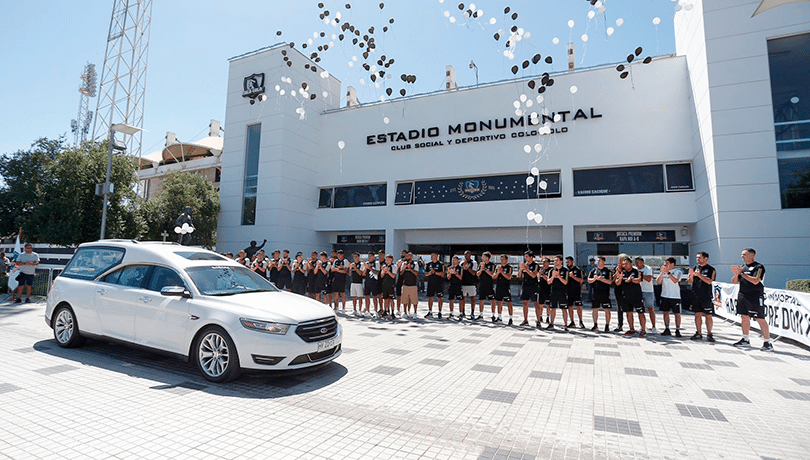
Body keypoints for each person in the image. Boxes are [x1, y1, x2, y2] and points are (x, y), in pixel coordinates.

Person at [731, 248, 772, 351]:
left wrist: (742, 274)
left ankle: (767, 343)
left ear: (752, 255)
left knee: (760, 319)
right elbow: (734, 281)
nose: (742, 256)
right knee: (744, 317)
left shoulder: (759, 267)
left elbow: (756, 281)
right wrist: (737, 274)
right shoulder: (743, 267)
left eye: (744, 254)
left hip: (755, 296)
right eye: (741, 254)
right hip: (743, 295)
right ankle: (745, 340)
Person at [688, 251, 717, 341]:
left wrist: (699, 275)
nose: (697, 259)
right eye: (697, 258)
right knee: (697, 315)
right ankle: (698, 333)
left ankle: (709, 333)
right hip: (696, 295)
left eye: (699, 258)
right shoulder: (695, 268)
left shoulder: (711, 269)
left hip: (706, 296)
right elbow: (690, 281)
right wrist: (692, 276)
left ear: (706, 258)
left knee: (708, 315)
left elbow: (709, 281)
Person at [616, 256, 647, 337]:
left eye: (626, 264)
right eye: (623, 264)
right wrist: (620, 278)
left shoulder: (637, 271)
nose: (625, 266)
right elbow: (617, 283)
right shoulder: (622, 272)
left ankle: (643, 330)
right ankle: (631, 328)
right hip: (626, 296)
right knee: (629, 313)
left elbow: (639, 280)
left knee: (640, 313)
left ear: (631, 264)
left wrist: (631, 280)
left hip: (636, 296)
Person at [656, 257, 684, 337]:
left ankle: (677, 329)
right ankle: (667, 328)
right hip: (665, 295)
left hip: (675, 296)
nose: (665, 265)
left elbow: (675, 280)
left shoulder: (678, 272)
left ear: (672, 264)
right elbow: (658, 281)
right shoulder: (663, 272)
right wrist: (662, 273)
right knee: (665, 312)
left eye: (667, 263)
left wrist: (668, 273)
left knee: (677, 314)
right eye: (665, 264)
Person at [588, 256, 613, 332]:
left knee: (607, 310)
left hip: (605, 293)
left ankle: (607, 325)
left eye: (599, 261)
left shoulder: (608, 271)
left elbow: (610, 282)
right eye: (597, 261)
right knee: (595, 309)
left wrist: (602, 279)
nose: (598, 262)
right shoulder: (593, 270)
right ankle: (595, 325)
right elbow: (589, 280)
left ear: (604, 262)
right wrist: (594, 279)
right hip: (595, 293)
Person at [635, 257, 659, 334]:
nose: (637, 264)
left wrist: (641, 275)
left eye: (638, 262)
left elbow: (649, 279)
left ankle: (654, 326)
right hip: (638, 291)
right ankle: (642, 326)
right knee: (640, 310)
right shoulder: (635, 269)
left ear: (642, 262)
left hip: (648, 291)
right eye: (636, 263)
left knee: (650, 309)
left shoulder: (648, 269)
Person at [546, 255, 569, 330]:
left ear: (561, 261)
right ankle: (551, 323)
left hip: (562, 292)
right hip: (553, 292)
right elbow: (548, 282)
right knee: (553, 308)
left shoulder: (565, 270)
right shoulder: (551, 270)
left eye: (557, 260)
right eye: (554, 261)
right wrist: (553, 276)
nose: (555, 262)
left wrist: (558, 276)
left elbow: (565, 282)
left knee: (564, 309)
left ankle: (565, 325)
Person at [518, 251, 540, 327]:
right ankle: (525, 320)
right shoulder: (525, 265)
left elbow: (534, 275)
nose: (525, 258)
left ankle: (538, 321)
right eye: (525, 256)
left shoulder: (536, 265)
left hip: (533, 286)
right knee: (525, 303)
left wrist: (526, 269)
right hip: (525, 286)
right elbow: (519, 276)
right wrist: (521, 269)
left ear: (531, 257)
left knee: (536, 304)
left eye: (527, 256)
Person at [565, 256, 586, 328]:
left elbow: (582, 280)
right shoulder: (566, 270)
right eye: (566, 262)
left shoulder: (578, 270)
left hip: (576, 291)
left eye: (568, 262)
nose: (567, 263)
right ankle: (572, 322)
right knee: (570, 307)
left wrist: (573, 276)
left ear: (572, 261)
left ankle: (581, 321)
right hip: (568, 291)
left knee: (578, 307)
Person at [494, 254, 514, 324]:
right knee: (499, 302)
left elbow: (508, 277)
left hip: (506, 287)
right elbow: (494, 277)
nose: (502, 261)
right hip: (499, 287)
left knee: (509, 303)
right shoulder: (498, 267)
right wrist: (498, 272)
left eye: (503, 259)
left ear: (506, 260)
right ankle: (499, 317)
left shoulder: (509, 268)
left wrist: (501, 272)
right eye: (501, 260)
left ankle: (511, 318)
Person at [424, 253, 445, 318]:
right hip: (431, 283)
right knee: (430, 297)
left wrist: (435, 272)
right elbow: (425, 274)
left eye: (435, 256)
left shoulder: (441, 264)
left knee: (440, 298)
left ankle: (440, 312)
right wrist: (430, 273)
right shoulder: (428, 264)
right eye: (433, 256)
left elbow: (443, 274)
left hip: (439, 283)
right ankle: (430, 311)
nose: (434, 257)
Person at [477, 252, 496, 322]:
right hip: (482, 285)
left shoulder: (492, 265)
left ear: (487, 258)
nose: (482, 258)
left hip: (489, 285)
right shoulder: (481, 265)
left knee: (492, 300)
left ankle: (493, 315)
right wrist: (481, 269)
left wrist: (484, 269)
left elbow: (492, 274)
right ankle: (481, 314)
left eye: (483, 257)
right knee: (481, 300)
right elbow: (478, 274)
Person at [459, 251, 478, 320]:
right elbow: (460, 272)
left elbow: (474, 273)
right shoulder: (461, 263)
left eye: (467, 254)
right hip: (463, 283)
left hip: (471, 283)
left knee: (472, 298)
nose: (465, 256)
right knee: (463, 298)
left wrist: (468, 268)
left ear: (470, 255)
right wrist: (463, 268)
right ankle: (463, 312)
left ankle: (472, 313)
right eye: (464, 255)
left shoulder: (474, 262)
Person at [400, 253, 420, 319]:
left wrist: (410, 269)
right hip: (405, 284)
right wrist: (404, 268)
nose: (409, 257)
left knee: (414, 300)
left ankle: (415, 313)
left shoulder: (415, 264)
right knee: (405, 300)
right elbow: (400, 273)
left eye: (411, 256)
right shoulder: (404, 263)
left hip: (413, 284)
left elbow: (417, 273)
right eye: (408, 256)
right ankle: (405, 312)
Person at [380, 254, 398, 318]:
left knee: (391, 299)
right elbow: (381, 276)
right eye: (386, 259)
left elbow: (393, 276)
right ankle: (385, 310)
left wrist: (387, 271)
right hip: (385, 284)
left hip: (391, 285)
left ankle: (392, 312)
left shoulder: (394, 266)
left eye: (388, 259)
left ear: (391, 259)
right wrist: (384, 271)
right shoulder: (384, 266)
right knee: (385, 299)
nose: (387, 261)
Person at [364, 252, 380, 317]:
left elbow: (377, 273)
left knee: (374, 297)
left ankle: (375, 311)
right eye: (369, 256)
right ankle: (367, 310)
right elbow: (363, 274)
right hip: (367, 282)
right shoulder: (367, 263)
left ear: (373, 257)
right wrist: (366, 268)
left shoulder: (376, 263)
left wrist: (370, 268)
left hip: (374, 282)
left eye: (371, 256)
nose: (369, 257)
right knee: (367, 296)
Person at [538, 257, 552, 325]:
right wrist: (539, 274)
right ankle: (540, 316)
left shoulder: (550, 270)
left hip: (548, 289)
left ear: (548, 263)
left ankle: (548, 317)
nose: (543, 263)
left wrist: (543, 275)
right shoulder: (541, 270)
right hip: (541, 288)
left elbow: (548, 279)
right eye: (542, 262)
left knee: (548, 305)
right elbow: (538, 279)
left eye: (545, 262)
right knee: (540, 304)